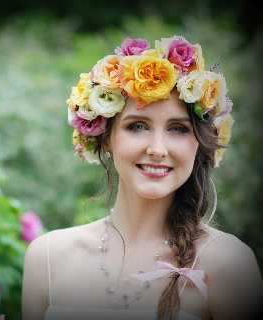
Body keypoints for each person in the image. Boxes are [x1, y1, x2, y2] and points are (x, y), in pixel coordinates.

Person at [21, 36, 263, 320]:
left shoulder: (228, 263)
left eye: (178, 129)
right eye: (137, 126)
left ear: (199, 143)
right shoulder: (48, 258)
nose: (157, 149)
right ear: (106, 137)